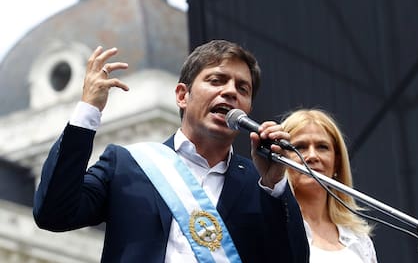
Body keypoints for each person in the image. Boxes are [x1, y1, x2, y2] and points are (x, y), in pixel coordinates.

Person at [33, 40, 309, 262]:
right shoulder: (128, 165)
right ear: (182, 96)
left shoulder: (259, 183)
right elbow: (53, 213)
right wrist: (88, 111)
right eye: (216, 80)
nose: (230, 92)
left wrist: (274, 185)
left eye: (242, 88)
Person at [279, 108, 377, 263]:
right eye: (300, 147)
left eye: (322, 147)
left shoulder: (359, 239)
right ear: (281, 158)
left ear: (337, 162)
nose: (312, 156)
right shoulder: (274, 228)